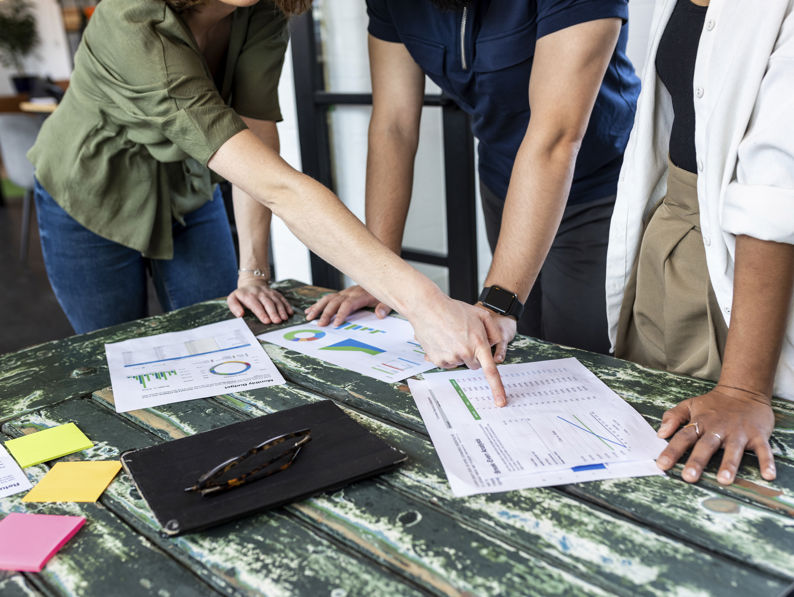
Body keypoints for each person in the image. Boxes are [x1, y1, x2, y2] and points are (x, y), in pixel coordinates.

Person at [28, 0, 509, 402]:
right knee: (118, 365)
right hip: (89, 192)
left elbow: (256, 139)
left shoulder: (261, 10)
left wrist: (253, 269)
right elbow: (280, 187)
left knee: (226, 349)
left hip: (189, 188)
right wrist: (426, 304)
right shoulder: (132, 21)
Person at [306, 0, 640, 360]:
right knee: (519, 346)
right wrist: (379, 277)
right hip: (503, 179)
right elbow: (394, 128)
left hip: (599, 188)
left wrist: (499, 302)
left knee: (579, 353)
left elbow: (556, 140)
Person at [606, 0, 794, 484]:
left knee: (713, 479)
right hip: (666, 250)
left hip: (750, 273)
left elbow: (776, 193)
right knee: (642, 449)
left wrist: (744, 390)